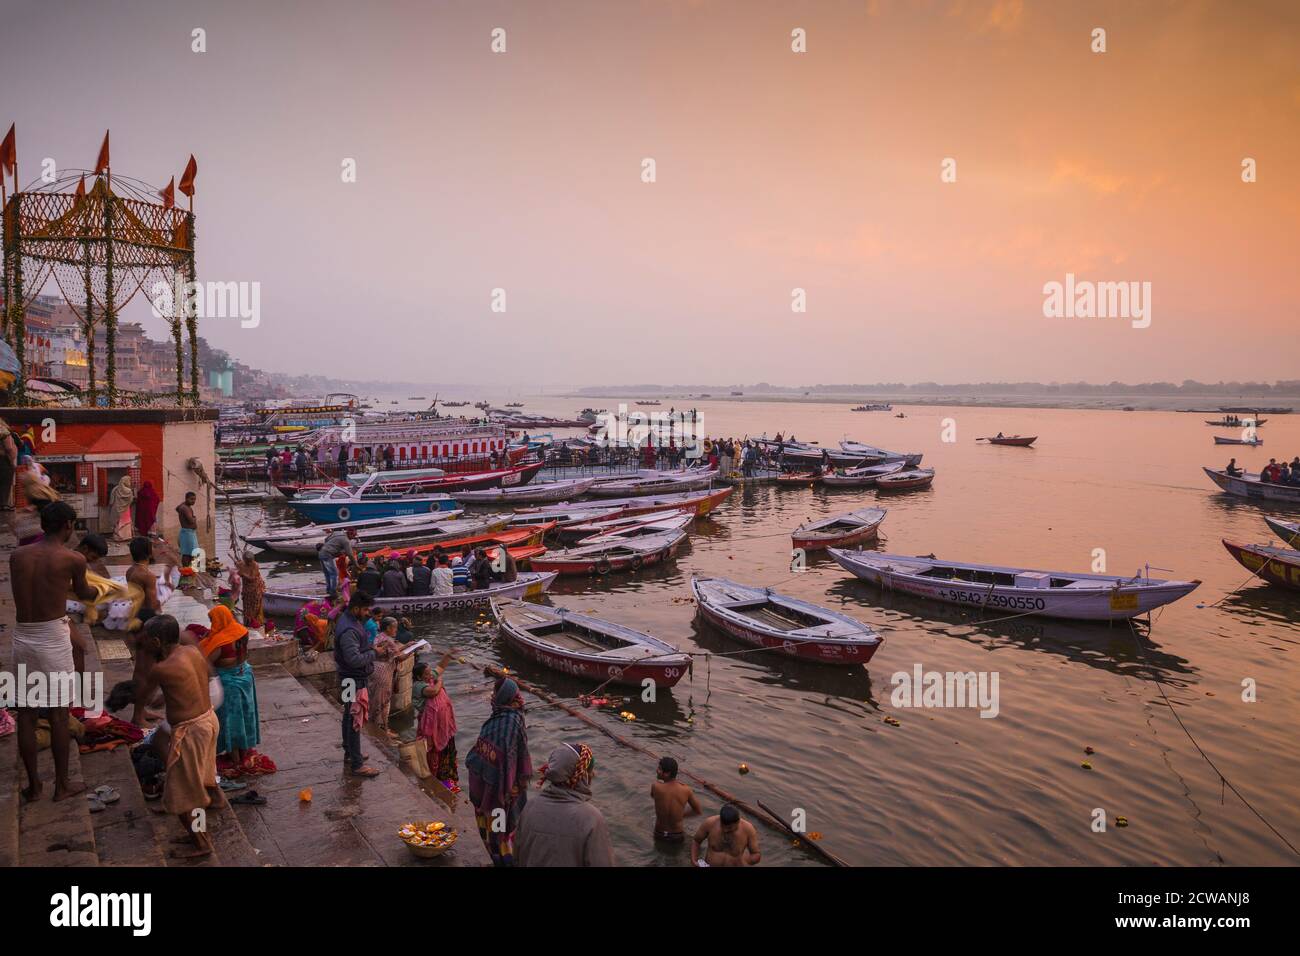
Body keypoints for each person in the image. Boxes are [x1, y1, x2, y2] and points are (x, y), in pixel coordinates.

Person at [9, 501, 99, 802]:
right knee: (60, 715)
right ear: (68, 526)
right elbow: (85, 593)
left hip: (23, 636)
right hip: (51, 637)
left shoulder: (17, 556)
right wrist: (96, 591)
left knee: (26, 714)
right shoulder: (73, 558)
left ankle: (34, 786)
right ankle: (62, 785)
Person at [135, 614, 221, 859]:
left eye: (147, 641)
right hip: (208, 720)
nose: (145, 645)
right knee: (196, 787)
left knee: (183, 795)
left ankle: (201, 843)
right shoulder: (192, 651)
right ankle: (199, 831)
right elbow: (198, 679)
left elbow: (143, 697)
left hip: (191, 730)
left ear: (157, 642)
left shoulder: (161, 668)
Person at [466, 677, 533, 865]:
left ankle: (497, 857)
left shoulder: (494, 719)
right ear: (511, 698)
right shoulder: (514, 720)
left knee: (495, 830)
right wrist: (515, 784)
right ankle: (503, 859)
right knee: (502, 829)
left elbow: (478, 756)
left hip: (488, 791)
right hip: (500, 794)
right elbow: (519, 757)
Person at [517, 742, 616, 867]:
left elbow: (518, 856)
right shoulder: (592, 818)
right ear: (583, 776)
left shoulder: (529, 807)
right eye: (590, 771)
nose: (594, 774)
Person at [200, 605, 261, 770]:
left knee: (230, 721)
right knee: (245, 716)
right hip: (245, 676)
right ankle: (245, 751)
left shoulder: (221, 642)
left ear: (220, 620)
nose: (211, 623)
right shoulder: (241, 632)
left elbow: (204, 662)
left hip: (229, 684)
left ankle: (235, 759)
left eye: (213, 620)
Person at [334, 590, 381, 777]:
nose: (367, 613)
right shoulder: (349, 629)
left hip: (347, 676)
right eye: (365, 610)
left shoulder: (351, 621)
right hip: (352, 678)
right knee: (355, 718)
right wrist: (374, 653)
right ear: (355, 609)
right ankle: (357, 764)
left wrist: (370, 649)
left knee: (348, 714)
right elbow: (354, 659)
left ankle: (350, 752)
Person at [413, 654, 458, 790]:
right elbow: (433, 692)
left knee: (447, 754)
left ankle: (449, 785)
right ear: (420, 677)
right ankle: (434, 782)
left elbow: (440, 668)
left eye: (430, 672)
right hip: (430, 729)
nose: (431, 675)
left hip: (444, 727)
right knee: (433, 754)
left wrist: (449, 654)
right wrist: (439, 681)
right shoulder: (418, 686)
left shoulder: (430, 678)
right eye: (427, 674)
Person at [368, 617, 407, 740]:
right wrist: (414, 649)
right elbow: (399, 658)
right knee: (384, 702)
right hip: (384, 673)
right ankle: (383, 729)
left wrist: (406, 646)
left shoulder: (379, 637)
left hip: (375, 669)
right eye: (394, 627)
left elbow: (391, 652)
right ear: (388, 628)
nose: (396, 629)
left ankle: (377, 726)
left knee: (376, 699)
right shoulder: (389, 640)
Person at [691, 804, 761, 867]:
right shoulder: (710, 823)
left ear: (738, 822)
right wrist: (694, 860)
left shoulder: (748, 829)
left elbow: (756, 854)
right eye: (722, 826)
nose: (725, 830)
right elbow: (696, 841)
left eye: (729, 828)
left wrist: (746, 860)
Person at [651, 756, 701, 845]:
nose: (656, 770)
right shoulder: (686, 790)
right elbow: (698, 811)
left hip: (659, 833)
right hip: (677, 835)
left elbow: (653, 796)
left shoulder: (656, 786)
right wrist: (680, 816)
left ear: (667, 774)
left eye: (659, 769)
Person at [318, 527, 357, 600]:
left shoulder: (337, 532)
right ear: (350, 534)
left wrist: (331, 548)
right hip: (327, 555)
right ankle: (333, 594)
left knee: (328, 574)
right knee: (334, 574)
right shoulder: (345, 540)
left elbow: (326, 539)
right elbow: (350, 555)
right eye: (353, 536)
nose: (353, 538)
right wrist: (356, 565)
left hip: (321, 553)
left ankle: (328, 590)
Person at [235, 550, 265, 629]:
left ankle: (256, 624)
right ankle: (248, 623)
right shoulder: (241, 564)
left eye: (250, 561)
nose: (249, 563)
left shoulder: (255, 565)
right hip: (247, 590)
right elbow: (238, 571)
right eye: (247, 561)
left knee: (255, 608)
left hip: (255, 589)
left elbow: (252, 578)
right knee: (247, 608)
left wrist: (243, 574)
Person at [109, 474, 135, 542]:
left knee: (118, 522)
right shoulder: (129, 491)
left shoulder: (115, 489)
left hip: (116, 509)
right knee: (125, 522)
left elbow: (111, 500)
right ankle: (126, 536)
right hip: (126, 510)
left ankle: (117, 537)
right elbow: (131, 500)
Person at [176, 491, 199, 566]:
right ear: (186, 499)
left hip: (189, 533)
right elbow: (191, 520)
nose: (193, 501)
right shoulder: (185, 508)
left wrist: (185, 502)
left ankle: (187, 569)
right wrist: (195, 518)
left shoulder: (183, 506)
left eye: (194, 499)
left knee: (190, 553)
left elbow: (177, 508)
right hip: (188, 534)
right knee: (187, 554)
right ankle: (186, 569)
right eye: (191, 499)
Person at [0, 417, 18, 510]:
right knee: (5, 483)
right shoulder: (4, 432)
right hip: (4, 460)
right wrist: (11, 461)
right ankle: (4, 504)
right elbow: (9, 448)